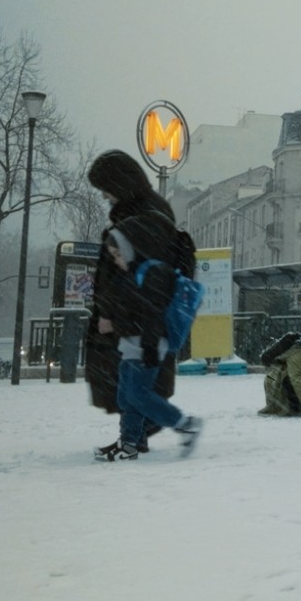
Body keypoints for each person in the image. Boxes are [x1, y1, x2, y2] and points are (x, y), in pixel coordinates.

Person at [85, 150, 179, 452]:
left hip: (137, 319)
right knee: (127, 381)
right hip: (133, 317)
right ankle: (134, 435)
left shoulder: (143, 218)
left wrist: (111, 310)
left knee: (131, 381)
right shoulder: (140, 212)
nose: (103, 195)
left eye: (105, 188)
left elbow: (139, 278)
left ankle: (143, 433)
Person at [92, 214, 203, 461]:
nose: (116, 260)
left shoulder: (153, 272)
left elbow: (152, 313)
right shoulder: (131, 274)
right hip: (132, 344)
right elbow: (126, 307)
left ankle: (186, 424)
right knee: (126, 395)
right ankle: (129, 443)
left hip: (147, 344)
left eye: (118, 254)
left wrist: (149, 345)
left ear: (129, 249)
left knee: (139, 395)